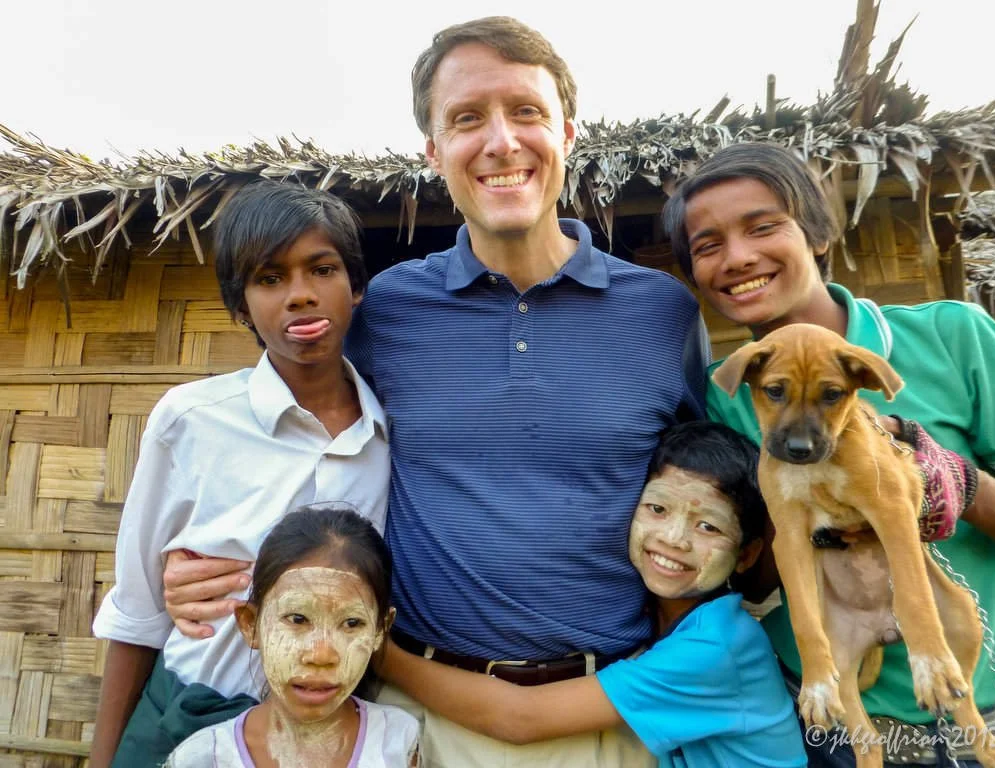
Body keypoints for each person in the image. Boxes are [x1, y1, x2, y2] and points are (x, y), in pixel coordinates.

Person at [161, 16, 708, 768]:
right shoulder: (387, 310)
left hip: (608, 717)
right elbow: (308, 441)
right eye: (467, 118)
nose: (501, 142)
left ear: (567, 133)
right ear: (433, 151)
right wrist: (213, 566)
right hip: (414, 719)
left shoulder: (661, 313)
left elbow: (713, 490)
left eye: (526, 111)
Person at [664, 142, 995, 767]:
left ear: (819, 233)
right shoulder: (724, 394)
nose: (738, 256)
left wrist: (962, 488)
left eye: (762, 226)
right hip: (821, 726)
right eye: (708, 244)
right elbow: (751, 574)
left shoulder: (954, 336)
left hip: (974, 724)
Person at [89, 182, 390, 768]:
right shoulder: (191, 420)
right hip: (189, 711)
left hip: (330, 733)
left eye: (322, 269)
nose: (300, 295)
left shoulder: (389, 437)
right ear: (240, 306)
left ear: (356, 287)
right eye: (269, 278)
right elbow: (138, 611)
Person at [376, 421, 807, 768]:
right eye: (657, 509)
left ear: (747, 554)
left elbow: (521, 718)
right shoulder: (670, 616)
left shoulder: (717, 647)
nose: (674, 539)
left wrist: (384, 658)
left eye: (708, 526)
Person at [165, 504, 419, 768]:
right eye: (297, 619)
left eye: (352, 623)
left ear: (379, 630)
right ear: (251, 624)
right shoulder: (204, 758)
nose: (321, 655)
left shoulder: (396, 742)